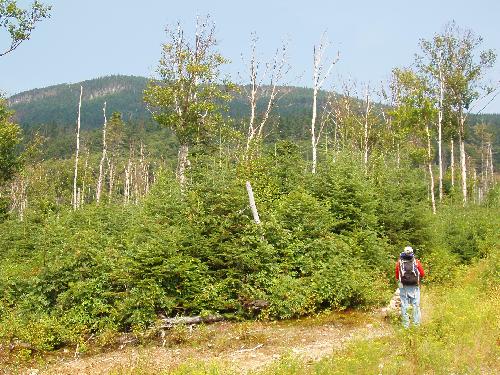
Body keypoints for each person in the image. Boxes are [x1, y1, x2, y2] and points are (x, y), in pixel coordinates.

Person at [395, 246, 425, 328]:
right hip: (414, 287)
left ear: (404, 252)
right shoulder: (416, 262)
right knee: (415, 305)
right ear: (412, 252)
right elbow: (422, 274)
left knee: (404, 305)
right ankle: (416, 325)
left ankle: (405, 325)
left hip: (403, 287)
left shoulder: (399, 262)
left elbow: (397, 276)